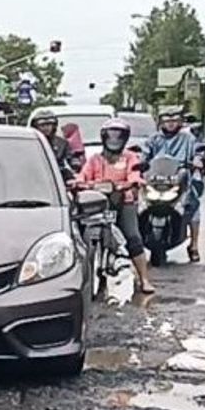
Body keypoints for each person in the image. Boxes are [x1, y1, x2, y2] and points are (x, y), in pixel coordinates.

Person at [78, 119, 155, 294]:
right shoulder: (94, 159)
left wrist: (132, 183)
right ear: (104, 137)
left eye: (119, 135)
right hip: (97, 203)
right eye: (111, 135)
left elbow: (135, 174)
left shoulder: (130, 157)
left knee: (133, 237)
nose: (114, 139)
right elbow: (82, 176)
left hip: (123, 201)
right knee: (80, 236)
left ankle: (144, 279)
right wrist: (78, 183)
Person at [142, 107, 203, 262]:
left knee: (192, 205)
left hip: (181, 179)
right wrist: (139, 163)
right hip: (156, 179)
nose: (170, 124)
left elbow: (198, 152)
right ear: (161, 122)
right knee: (140, 204)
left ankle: (194, 245)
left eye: (174, 120)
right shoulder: (153, 139)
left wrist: (197, 160)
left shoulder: (188, 139)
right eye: (167, 120)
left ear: (180, 122)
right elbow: (144, 156)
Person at [31, 110, 75, 182]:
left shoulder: (62, 143)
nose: (46, 128)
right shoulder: (31, 142)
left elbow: (70, 159)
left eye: (49, 125)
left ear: (54, 126)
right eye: (42, 125)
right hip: (35, 176)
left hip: (58, 177)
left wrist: (75, 163)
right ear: (36, 126)